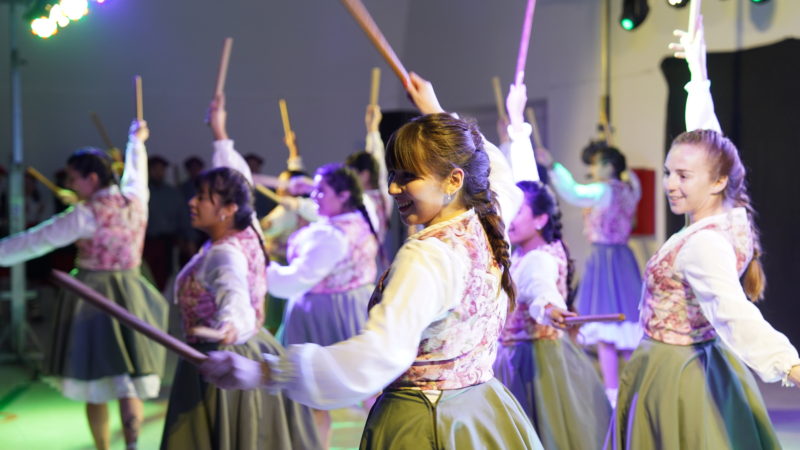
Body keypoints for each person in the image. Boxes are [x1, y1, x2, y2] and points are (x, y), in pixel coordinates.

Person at [200, 73, 542, 449]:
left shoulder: (428, 255)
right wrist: (435, 111)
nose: (393, 188)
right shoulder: (489, 219)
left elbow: (379, 353)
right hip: (479, 411)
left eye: (407, 177)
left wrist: (264, 371)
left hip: (427, 422)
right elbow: (497, 170)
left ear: (453, 180)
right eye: (393, 175)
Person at [608, 16, 800, 448]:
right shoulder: (734, 212)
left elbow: (734, 312)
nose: (670, 183)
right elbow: (708, 137)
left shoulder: (705, 245)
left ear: (716, 182)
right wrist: (697, 74)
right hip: (701, 360)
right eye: (667, 172)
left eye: (682, 175)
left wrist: (789, 365)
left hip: (676, 370)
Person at [160, 95, 320, 450]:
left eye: (202, 197)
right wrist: (220, 133)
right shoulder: (249, 228)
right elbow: (237, 176)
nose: (192, 201)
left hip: (224, 357)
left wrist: (230, 326)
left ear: (227, 209)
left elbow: (234, 296)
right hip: (248, 347)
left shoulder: (224, 253)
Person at [0, 120, 168, 450]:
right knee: (128, 378)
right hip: (132, 291)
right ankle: (132, 446)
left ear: (91, 178)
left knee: (96, 379)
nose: (71, 185)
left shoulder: (86, 214)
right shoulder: (135, 200)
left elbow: (35, 242)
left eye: (74, 178)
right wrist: (137, 141)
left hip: (92, 296)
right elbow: (137, 172)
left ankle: (104, 447)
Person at [493, 84, 610, 450]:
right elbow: (525, 184)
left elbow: (539, 291)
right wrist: (517, 126)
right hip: (530, 354)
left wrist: (549, 309)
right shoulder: (538, 243)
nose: (509, 218)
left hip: (530, 363)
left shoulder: (539, 258)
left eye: (518, 214)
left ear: (540, 219)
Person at [266, 161, 380, 445]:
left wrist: (263, 270)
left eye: (320, 191)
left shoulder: (329, 236)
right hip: (355, 306)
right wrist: (307, 186)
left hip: (324, 312)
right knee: (368, 387)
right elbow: (319, 208)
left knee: (314, 391)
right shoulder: (363, 215)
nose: (313, 197)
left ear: (342, 196)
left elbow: (297, 279)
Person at [536, 135, 642, 404]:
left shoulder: (603, 190)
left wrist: (553, 166)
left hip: (604, 261)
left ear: (608, 166)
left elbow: (574, 192)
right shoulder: (630, 189)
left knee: (606, 329)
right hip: (623, 259)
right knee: (626, 327)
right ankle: (637, 388)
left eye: (596, 165)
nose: (593, 172)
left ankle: (613, 392)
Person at [345, 104, 392, 242]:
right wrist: (372, 129)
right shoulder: (383, 196)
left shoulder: (367, 200)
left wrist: (373, 129)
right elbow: (376, 159)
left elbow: (377, 162)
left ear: (365, 175)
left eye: (353, 175)